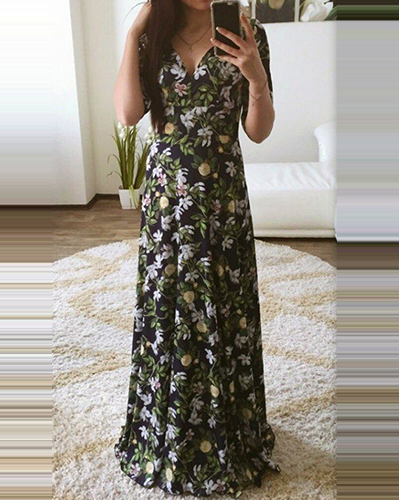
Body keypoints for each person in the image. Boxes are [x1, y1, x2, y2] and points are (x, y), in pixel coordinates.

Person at [113, 0, 279, 497]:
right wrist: (132, 36)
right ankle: (167, 429)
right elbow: (128, 114)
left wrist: (256, 78)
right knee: (169, 310)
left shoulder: (247, 31)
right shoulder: (151, 37)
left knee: (225, 310)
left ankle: (228, 430)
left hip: (222, 200)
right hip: (167, 203)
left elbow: (258, 131)